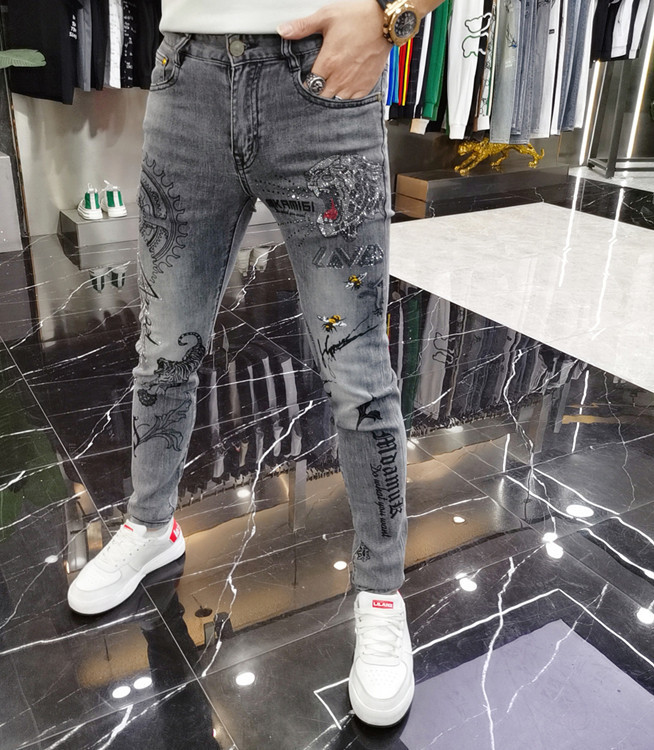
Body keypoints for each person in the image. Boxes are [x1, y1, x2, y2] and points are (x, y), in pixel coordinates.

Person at [69, 0, 445, 727]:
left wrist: (393, 16)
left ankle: (379, 591)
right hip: (187, 77)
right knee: (164, 346)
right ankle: (150, 526)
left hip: (321, 83)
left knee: (356, 369)